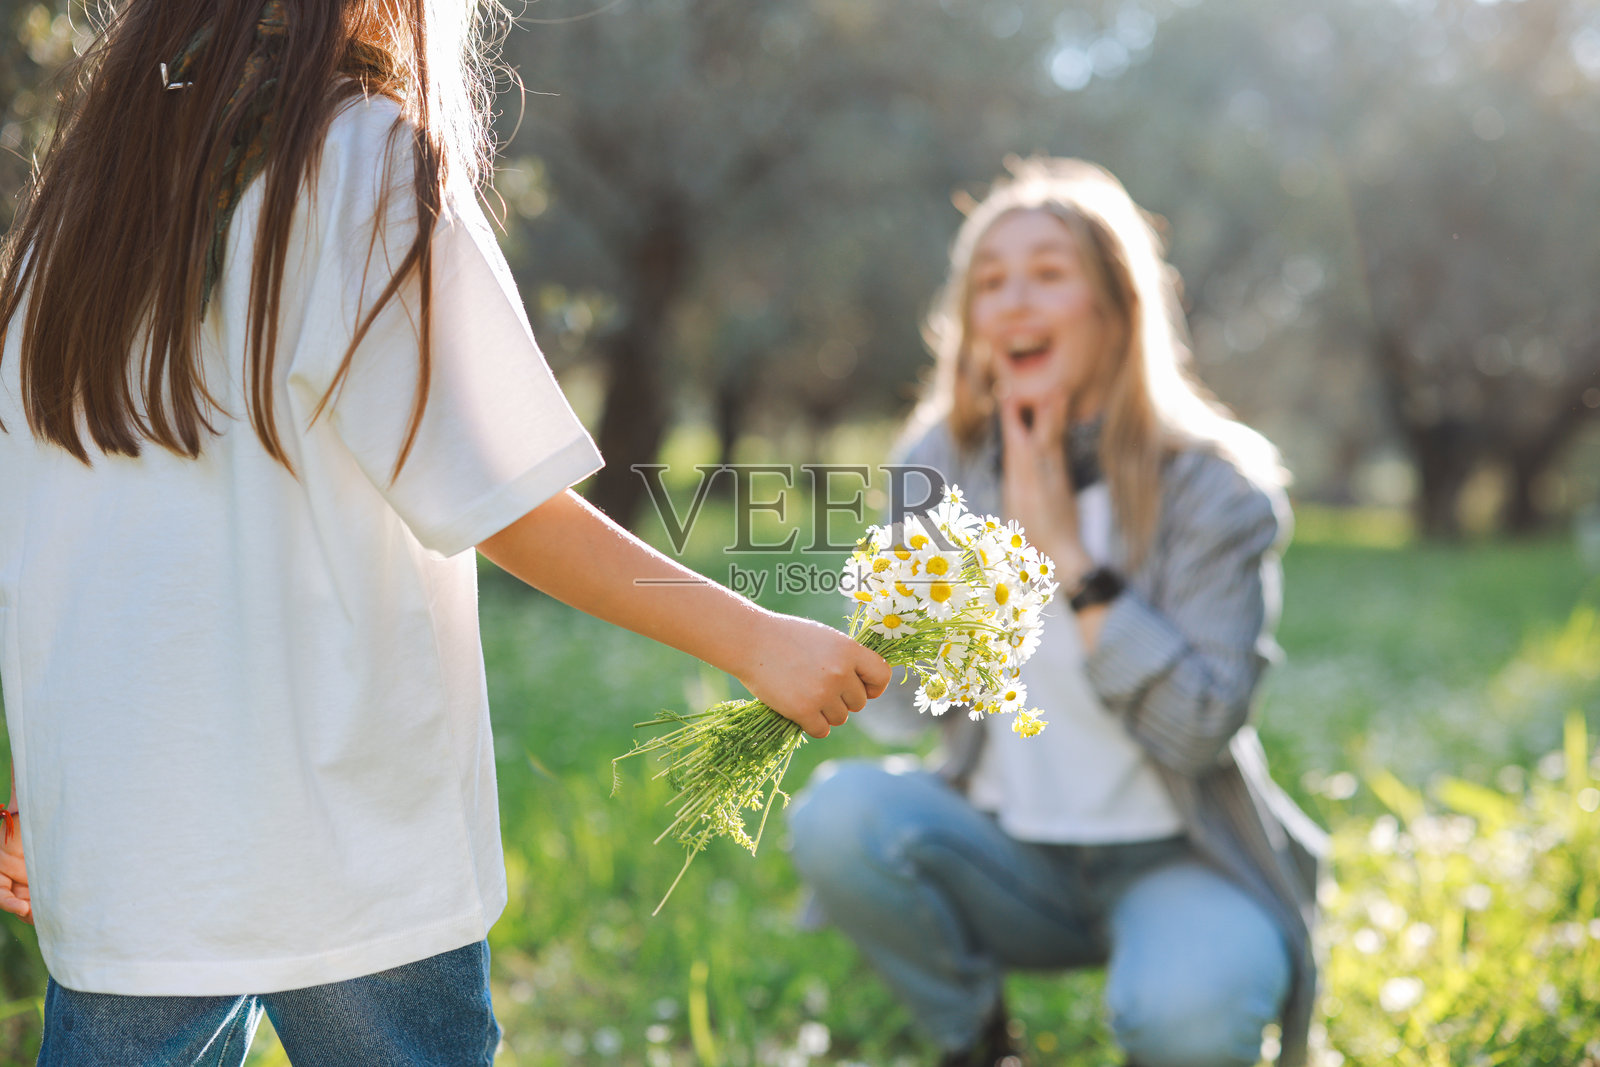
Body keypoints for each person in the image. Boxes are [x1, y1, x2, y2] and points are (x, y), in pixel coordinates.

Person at [0, 2, 890, 1063]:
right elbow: (503, 500)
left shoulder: (76, 211)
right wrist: (757, 636)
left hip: (122, 837)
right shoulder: (359, 162)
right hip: (341, 831)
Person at [788, 158, 1326, 1067]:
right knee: (839, 819)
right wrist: (910, 607)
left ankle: (1186, 967)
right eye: (989, 282)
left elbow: (1196, 727)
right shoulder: (942, 462)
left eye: (1047, 272)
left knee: (1187, 1024)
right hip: (1012, 855)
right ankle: (978, 1042)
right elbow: (897, 707)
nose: (1012, 301)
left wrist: (1069, 557)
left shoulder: (1217, 487)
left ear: (1116, 307)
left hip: (1180, 857)